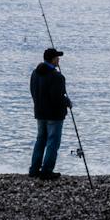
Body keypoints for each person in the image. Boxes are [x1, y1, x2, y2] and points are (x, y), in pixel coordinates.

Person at [29, 47, 72, 180]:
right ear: (53, 59)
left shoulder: (35, 74)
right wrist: (67, 102)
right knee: (53, 142)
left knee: (40, 140)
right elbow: (57, 98)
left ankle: (34, 169)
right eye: (57, 57)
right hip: (54, 115)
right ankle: (47, 171)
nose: (59, 59)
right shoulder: (57, 77)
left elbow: (33, 91)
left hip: (40, 113)